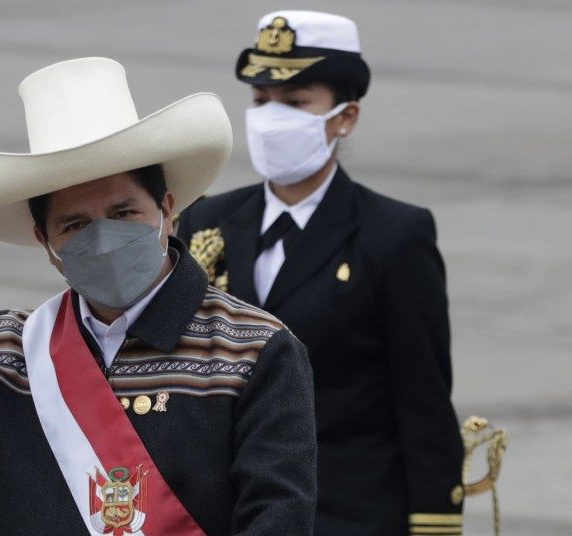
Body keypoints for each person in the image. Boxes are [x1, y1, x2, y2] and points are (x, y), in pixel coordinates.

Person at [0, 57, 318, 535]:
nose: (103, 239)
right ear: (45, 242)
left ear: (167, 210)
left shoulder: (251, 349)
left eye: (123, 214)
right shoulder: (4, 350)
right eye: (76, 225)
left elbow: (278, 515)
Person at [176, 11, 465, 536]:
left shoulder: (393, 235)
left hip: (347, 513)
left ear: (345, 117)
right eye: (261, 100)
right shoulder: (206, 221)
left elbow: (422, 400)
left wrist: (434, 522)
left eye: (294, 102)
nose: (271, 117)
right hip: (227, 510)